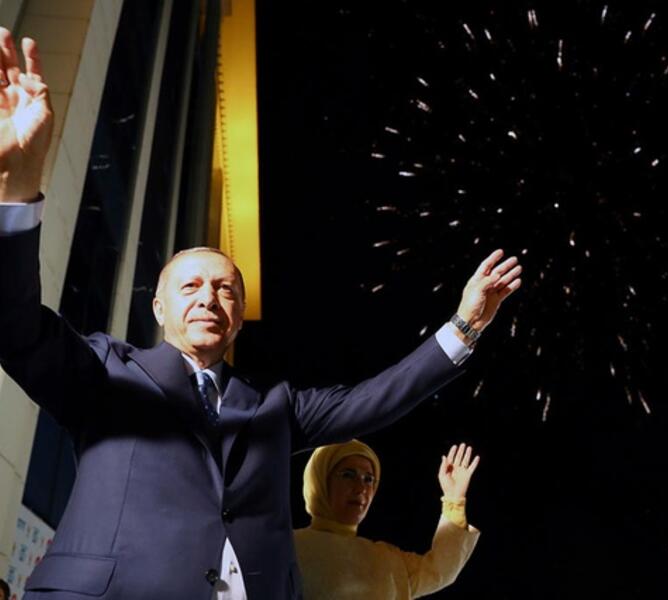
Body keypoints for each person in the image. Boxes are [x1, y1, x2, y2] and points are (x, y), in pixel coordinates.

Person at [0, 28, 521, 600]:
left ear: (239, 317)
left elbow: (378, 398)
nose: (208, 297)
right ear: (159, 306)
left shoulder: (276, 407)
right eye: (191, 285)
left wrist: (465, 325)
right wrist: (16, 189)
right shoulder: (105, 371)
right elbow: (16, 324)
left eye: (225, 289)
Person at [294, 440, 480, 599]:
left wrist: (454, 500)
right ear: (320, 481)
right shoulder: (285, 546)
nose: (361, 488)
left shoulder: (386, 561)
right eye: (348, 475)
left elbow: (439, 570)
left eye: (368, 479)